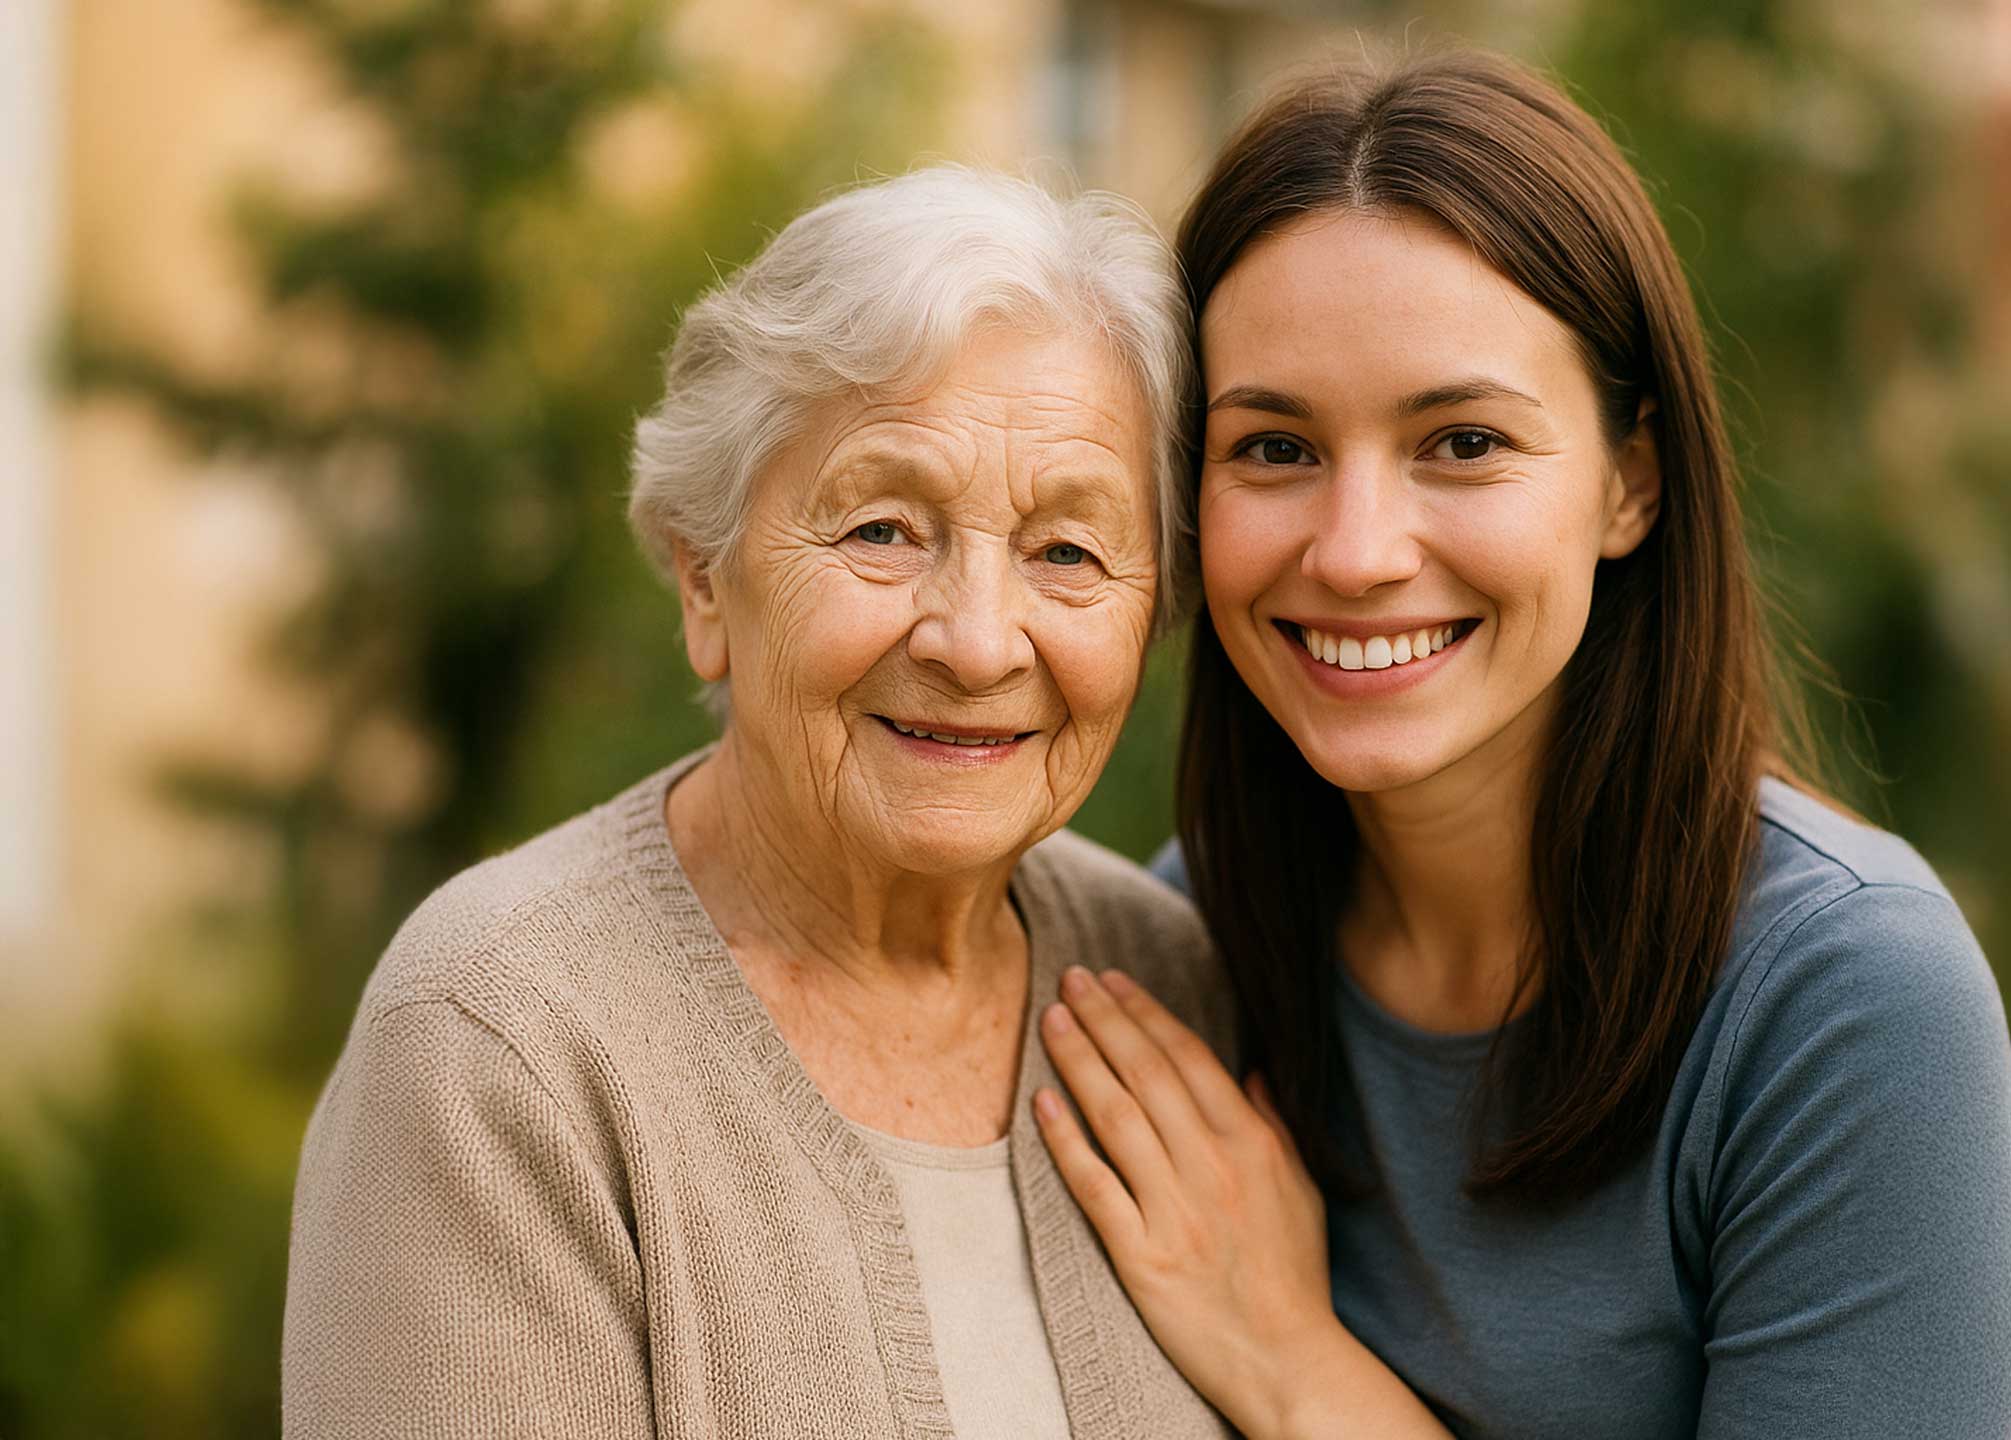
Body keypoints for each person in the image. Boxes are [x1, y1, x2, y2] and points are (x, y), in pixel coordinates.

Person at [1032, 49, 2011, 1440]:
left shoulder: (1841, 1005)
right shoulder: (1179, 955)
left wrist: (1296, 1368)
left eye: (1462, 443)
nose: (1356, 552)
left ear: (1628, 481)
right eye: (1273, 449)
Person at [281, 165, 1240, 1439]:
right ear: (703, 579)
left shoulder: (1177, 985)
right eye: (883, 529)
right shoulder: (500, 1039)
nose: (975, 643)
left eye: (1067, 550)